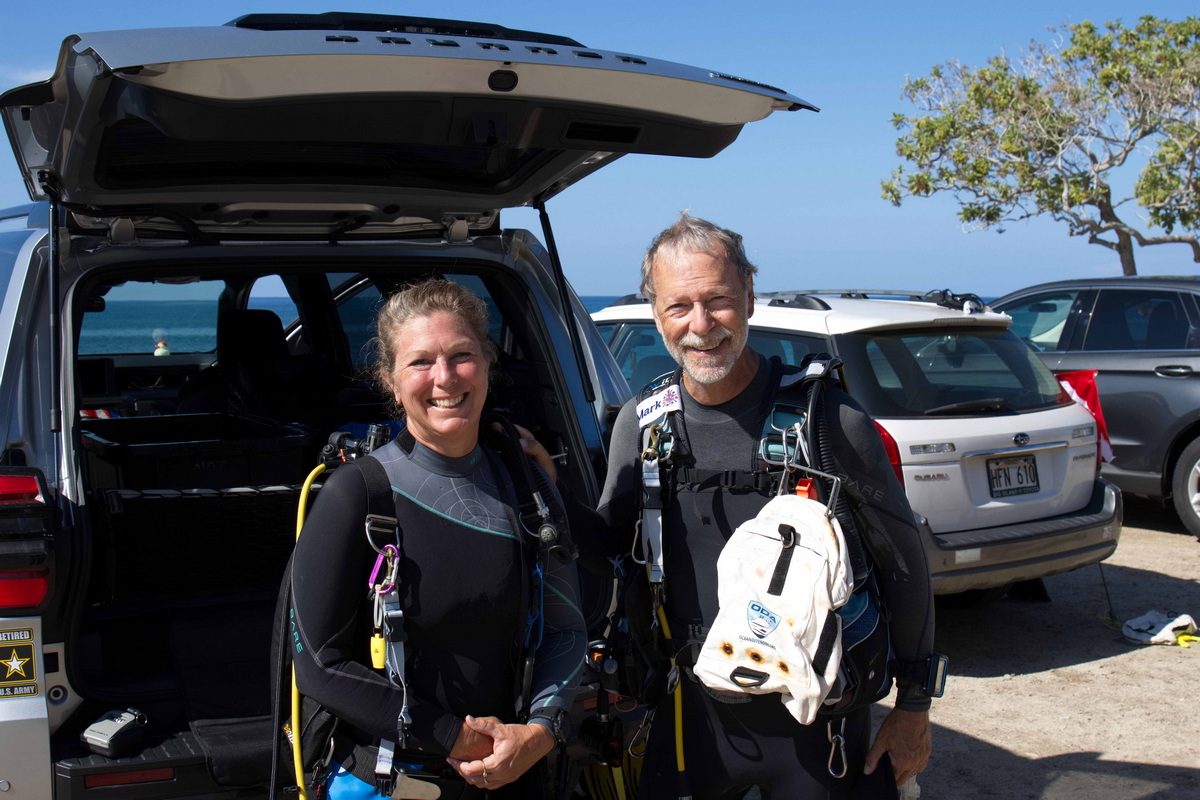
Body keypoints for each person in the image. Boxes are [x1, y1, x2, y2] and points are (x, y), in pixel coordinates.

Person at [597, 214, 937, 799]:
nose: (701, 325)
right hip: (692, 717)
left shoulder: (829, 423)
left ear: (751, 297)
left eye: (719, 300)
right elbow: (603, 556)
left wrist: (913, 708)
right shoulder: (644, 425)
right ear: (655, 313)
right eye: (679, 306)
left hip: (816, 719)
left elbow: (905, 568)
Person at [290, 278, 586, 798]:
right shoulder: (356, 495)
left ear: (489, 364)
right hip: (396, 781)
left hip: (514, 773)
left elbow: (565, 629)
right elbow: (320, 666)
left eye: (461, 356)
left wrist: (540, 731)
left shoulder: (528, 486)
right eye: (420, 362)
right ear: (390, 380)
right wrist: (458, 739)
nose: (445, 377)